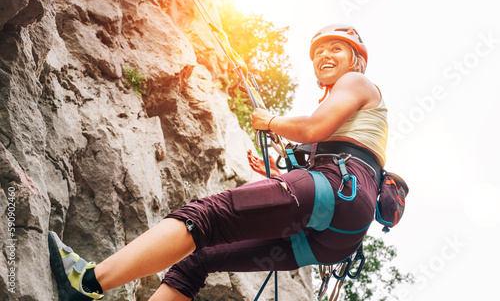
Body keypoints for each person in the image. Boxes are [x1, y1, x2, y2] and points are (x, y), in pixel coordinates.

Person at [48, 24, 388, 301]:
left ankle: (88, 282)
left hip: (334, 192)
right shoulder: (351, 110)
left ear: (356, 60)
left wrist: (269, 121)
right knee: (200, 260)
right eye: (318, 52)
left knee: (205, 217)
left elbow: (313, 128)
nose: (324, 56)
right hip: (335, 238)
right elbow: (336, 150)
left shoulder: (355, 82)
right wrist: (289, 169)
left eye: (336, 49)